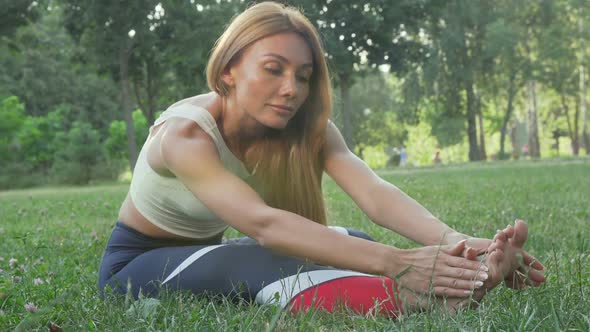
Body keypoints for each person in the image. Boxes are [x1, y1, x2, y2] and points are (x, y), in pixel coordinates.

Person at [98, 2, 545, 317]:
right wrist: (398, 262)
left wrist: (460, 241)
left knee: (350, 237)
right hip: (135, 265)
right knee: (264, 262)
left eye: (303, 75)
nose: (291, 88)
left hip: (204, 252)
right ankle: (426, 300)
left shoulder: (301, 126)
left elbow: (375, 195)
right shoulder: (187, 135)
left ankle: (465, 275)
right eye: (273, 69)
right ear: (229, 70)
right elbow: (263, 224)